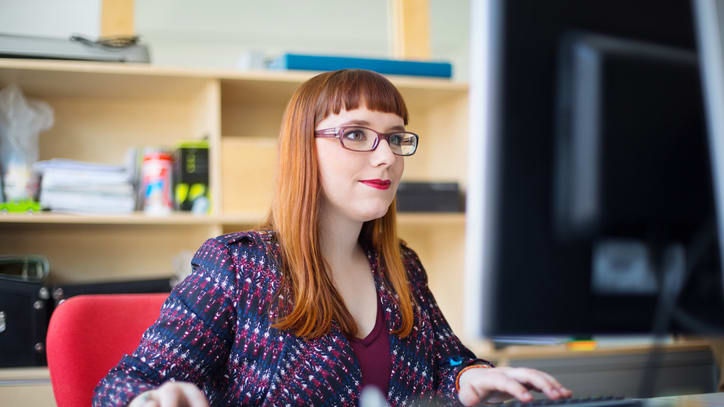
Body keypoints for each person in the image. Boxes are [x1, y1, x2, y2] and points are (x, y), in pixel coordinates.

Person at [94, 69, 573, 407]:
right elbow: (124, 385)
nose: (386, 157)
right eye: (357, 135)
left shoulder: (400, 266)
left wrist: (473, 377)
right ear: (304, 150)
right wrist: (147, 401)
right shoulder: (238, 266)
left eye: (395, 137)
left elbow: (447, 360)